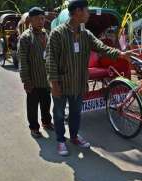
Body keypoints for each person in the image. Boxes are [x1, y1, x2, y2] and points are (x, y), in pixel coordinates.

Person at [46, 0, 133, 156]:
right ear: (78, 12)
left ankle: (74, 137)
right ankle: (60, 140)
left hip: (79, 82)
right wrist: (54, 83)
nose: (88, 14)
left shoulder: (86, 34)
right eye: (86, 11)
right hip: (61, 83)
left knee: (76, 113)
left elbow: (101, 47)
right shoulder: (57, 33)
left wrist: (120, 54)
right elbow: (51, 60)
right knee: (59, 113)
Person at [18, 7, 54, 138]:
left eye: (43, 18)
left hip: (46, 79)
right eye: (38, 19)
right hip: (33, 80)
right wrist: (26, 81)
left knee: (47, 103)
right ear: (31, 21)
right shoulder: (25, 37)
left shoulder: (47, 34)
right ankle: (34, 127)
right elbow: (23, 61)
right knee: (32, 106)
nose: (41, 21)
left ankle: (46, 122)